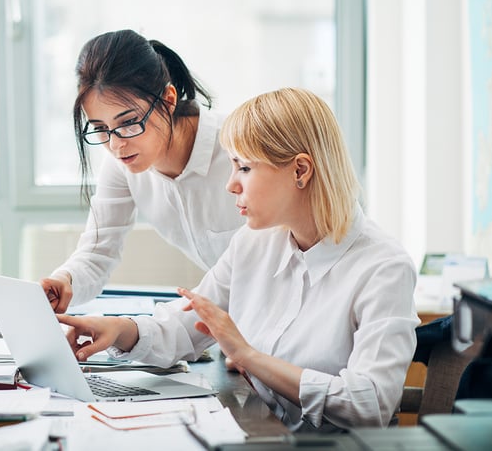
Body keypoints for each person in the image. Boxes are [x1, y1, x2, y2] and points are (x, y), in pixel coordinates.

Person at [57, 88, 420, 432]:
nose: (231, 185)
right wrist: (118, 329)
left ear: (300, 171)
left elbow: (370, 403)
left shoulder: (383, 268)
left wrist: (248, 356)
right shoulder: (253, 242)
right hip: (263, 433)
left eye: (244, 168)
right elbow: (186, 327)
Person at [40, 29, 244, 312]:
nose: (116, 144)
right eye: (100, 128)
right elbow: (97, 252)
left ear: (169, 99)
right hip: (236, 323)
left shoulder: (240, 148)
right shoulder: (121, 163)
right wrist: (65, 280)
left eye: (129, 122)